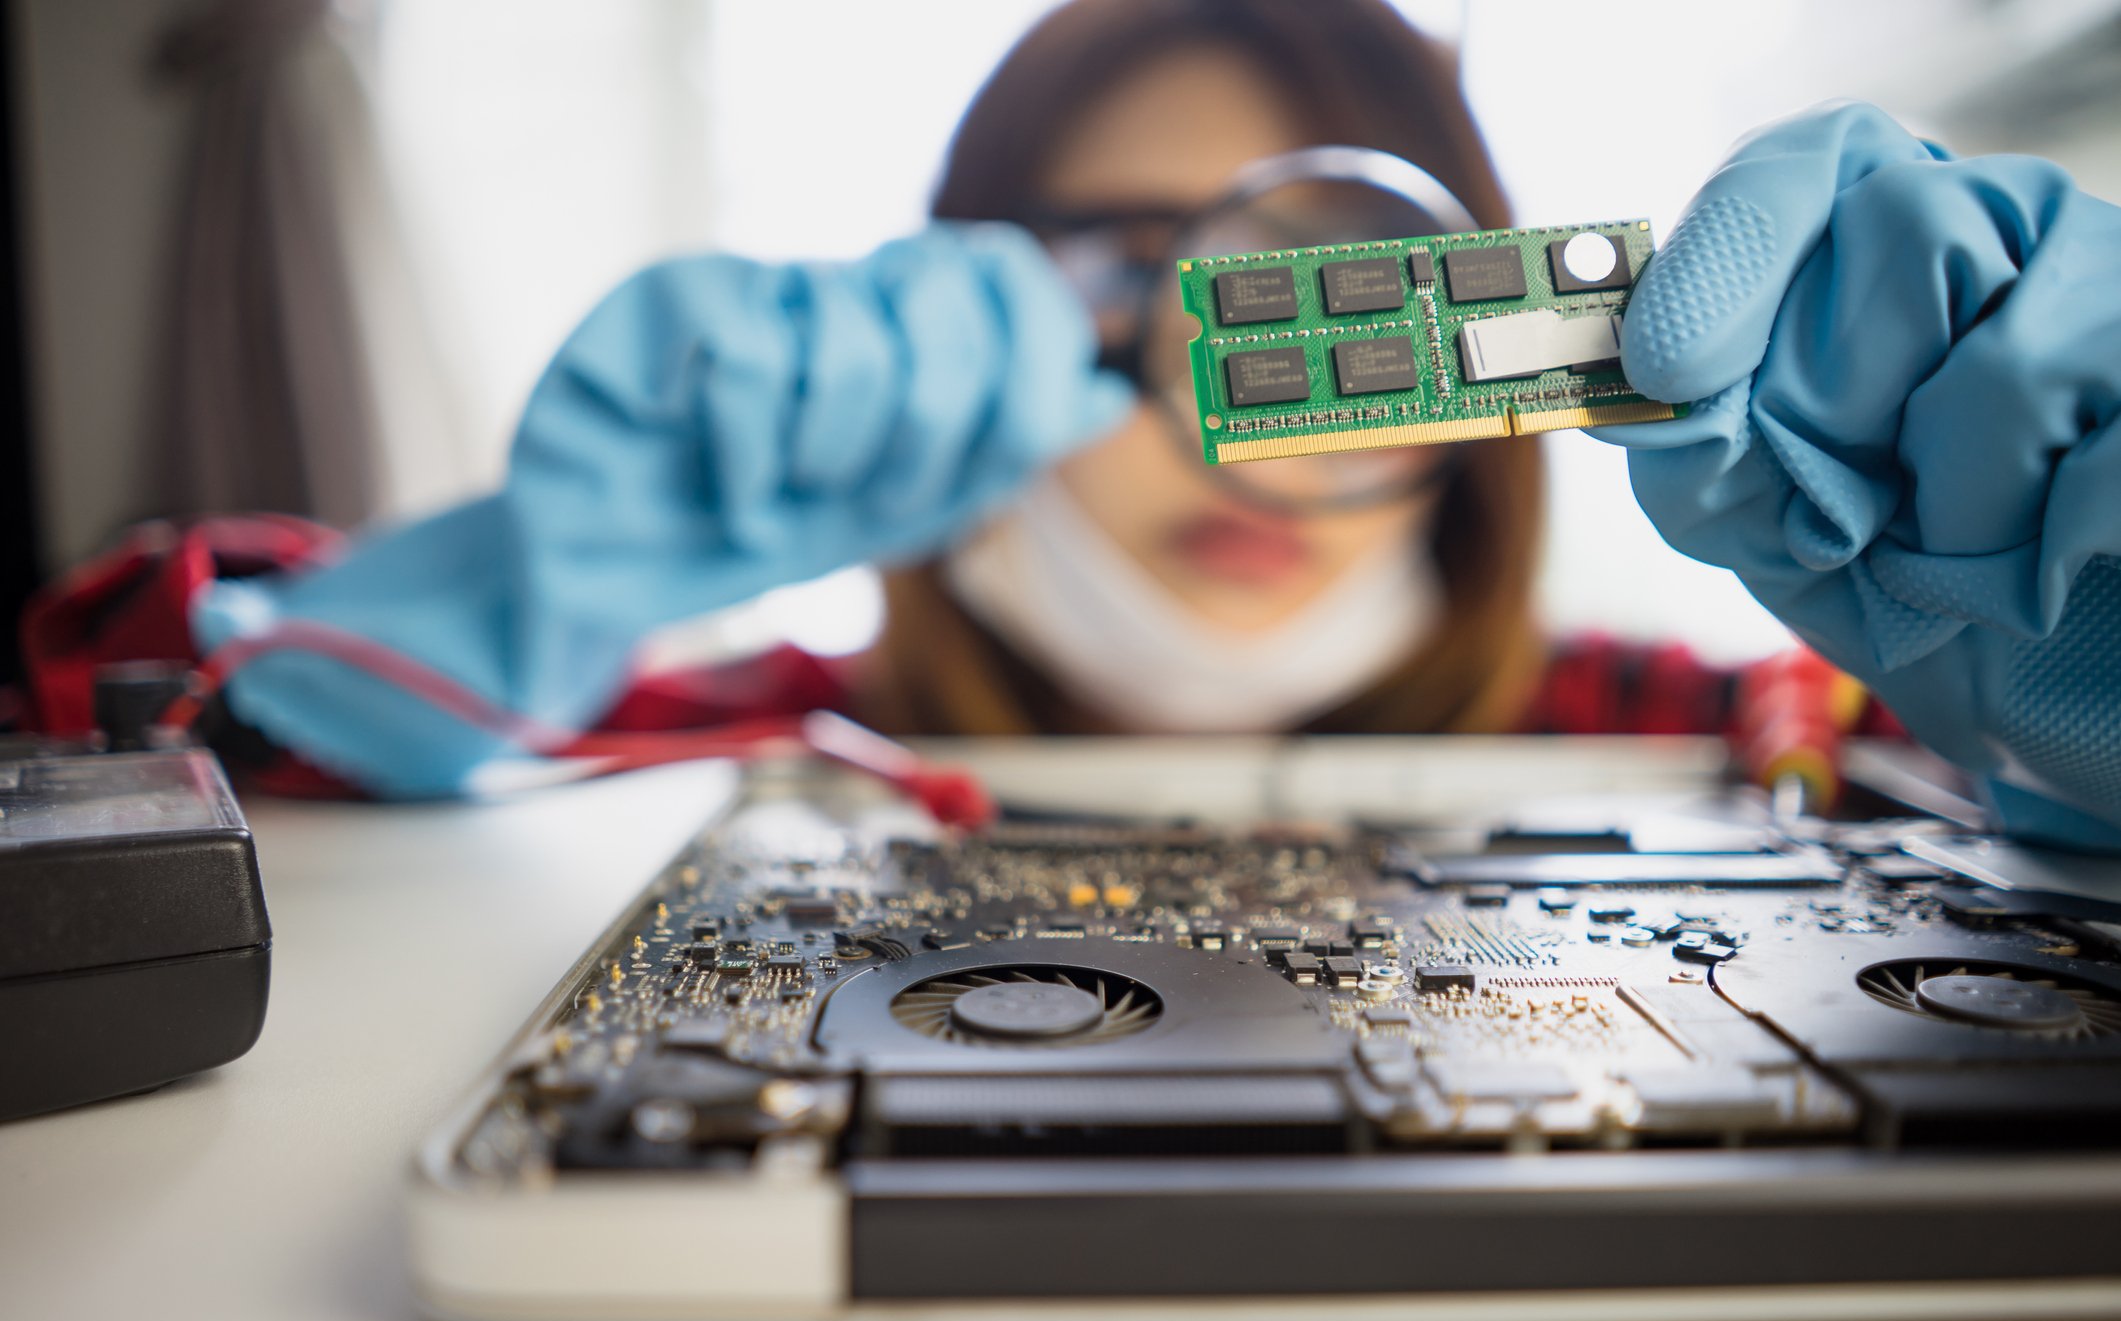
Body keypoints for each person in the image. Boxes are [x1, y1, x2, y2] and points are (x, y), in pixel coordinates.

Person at [32, 0, 2121, 847]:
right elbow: (99, 804)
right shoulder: (712, 761)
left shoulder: (1783, 746)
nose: (1256, 432)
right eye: (1139, 280)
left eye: (1345, 293)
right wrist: (481, 604)